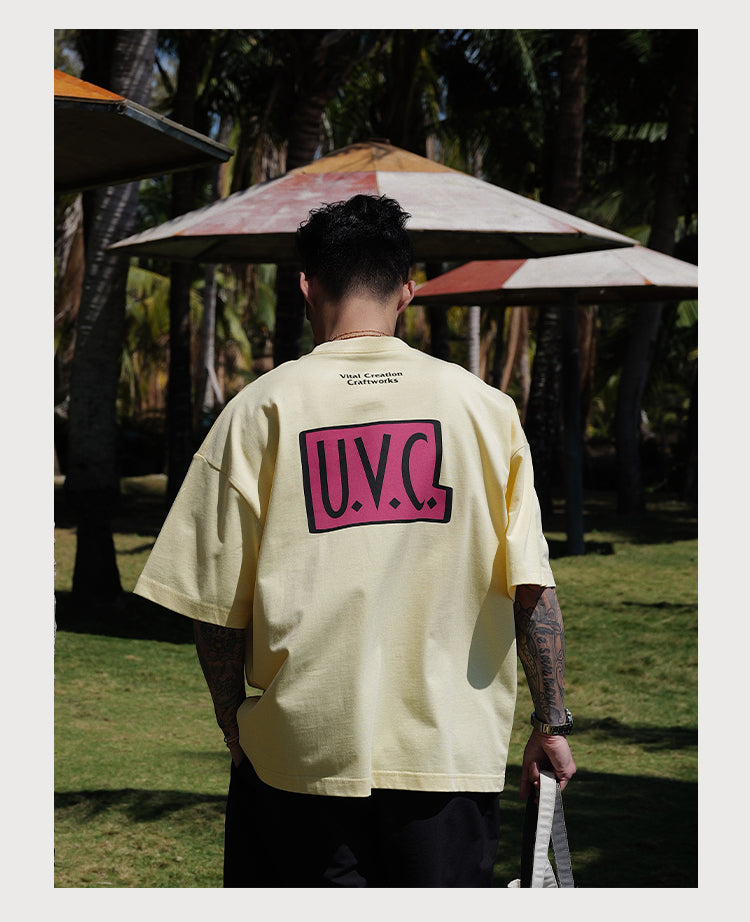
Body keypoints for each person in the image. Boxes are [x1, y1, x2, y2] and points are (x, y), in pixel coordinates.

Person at [134, 193, 575, 888]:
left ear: (306, 286)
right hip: (446, 757)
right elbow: (533, 592)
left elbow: (214, 612)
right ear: (407, 292)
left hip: (295, 758)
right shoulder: (486, 412)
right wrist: (551, 723)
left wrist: (233, 725)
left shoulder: (257, 412)